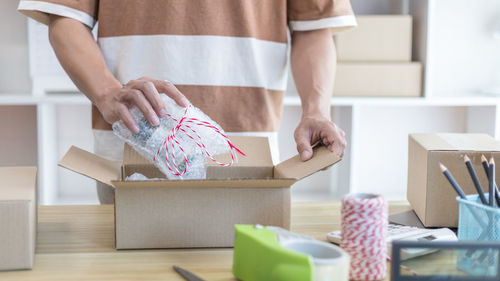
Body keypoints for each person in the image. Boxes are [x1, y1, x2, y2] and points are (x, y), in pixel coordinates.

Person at [18, 0, 355, 204]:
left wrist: (316, 110)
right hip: (135, 140)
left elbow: (314, 25)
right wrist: (106, 92)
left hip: (245, 150)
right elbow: (64, 15)